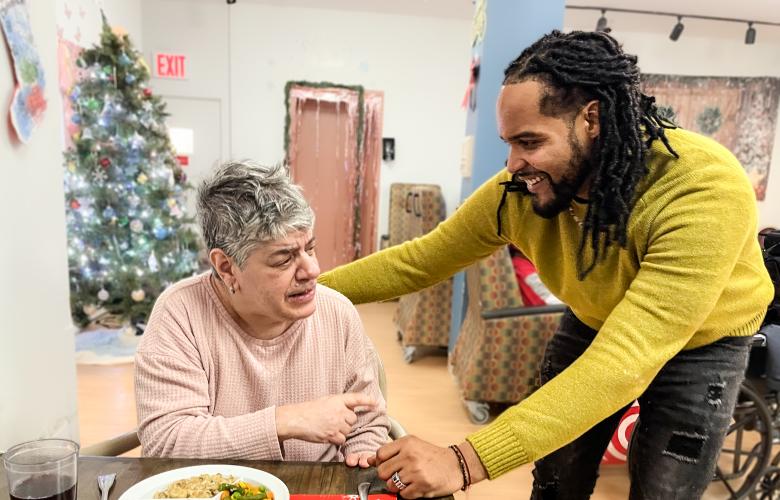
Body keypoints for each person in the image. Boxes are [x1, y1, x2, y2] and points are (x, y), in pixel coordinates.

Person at [319, 30, 774, 499]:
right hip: (594, 318)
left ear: (591, 119)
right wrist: (306, 289)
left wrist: (463, 461)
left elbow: (626, 360)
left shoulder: (702, 188)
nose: (514, 163)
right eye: (509, 143)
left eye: (530, 141)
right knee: (557, 478)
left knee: (665, 491)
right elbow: (420, 260)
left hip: (703, 345)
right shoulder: (518, 190)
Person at [135, 160, 389, 465]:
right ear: (226, 268)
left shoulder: (337, 312)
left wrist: (362, 456)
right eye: (284, 259)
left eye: (310, 248)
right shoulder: (180, 314)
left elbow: (367, 423)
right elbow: (166, 443)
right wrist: (286, 421)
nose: (313, 270)